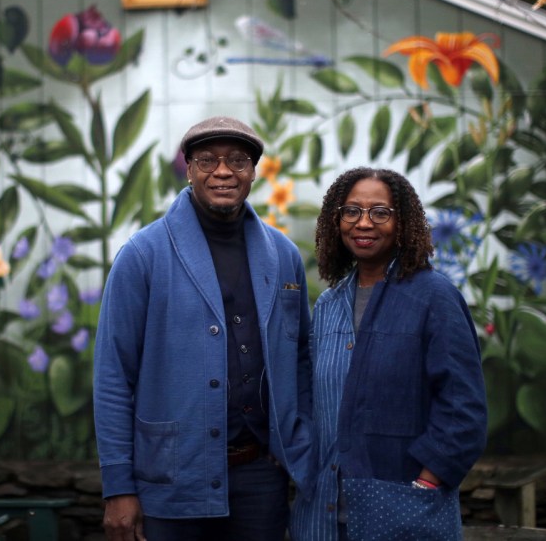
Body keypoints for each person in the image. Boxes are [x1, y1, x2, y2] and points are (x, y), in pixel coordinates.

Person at [93, 116, 315, 541]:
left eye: (238, 160)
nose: (224, 171)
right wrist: (118, 486)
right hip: (172, 478)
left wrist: (294, 436)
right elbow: (113, 377)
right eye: (207, 160)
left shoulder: (283, 255)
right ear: (190, 169)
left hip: (259, 476)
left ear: (253, 172)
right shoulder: (143, 254)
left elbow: (301, 355)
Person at [289, 167, 487, 541]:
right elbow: (310, 398)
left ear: (403, 223)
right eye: (352, 211)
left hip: (403, 511)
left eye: (380, 212)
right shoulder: (329, 304)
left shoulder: (434, 297)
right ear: (337, 220)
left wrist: (427, 484)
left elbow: (465, 409)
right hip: (323, 515)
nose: (364, 223)